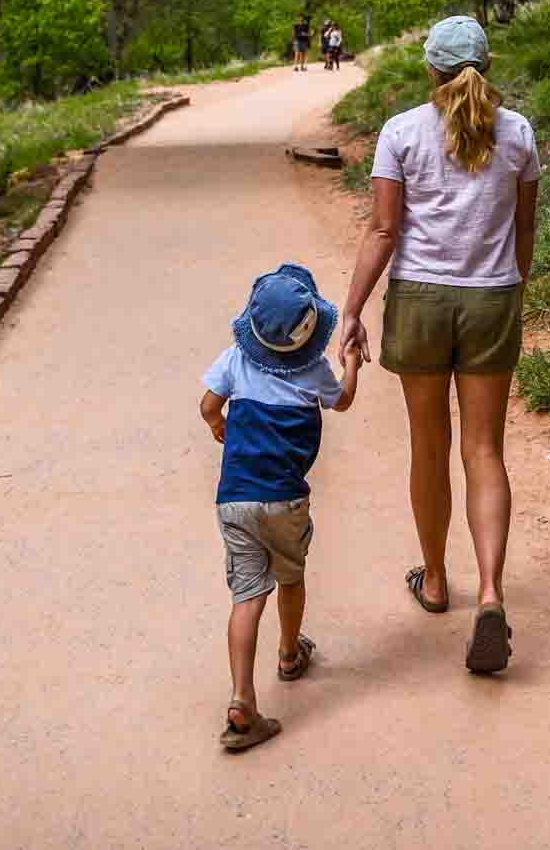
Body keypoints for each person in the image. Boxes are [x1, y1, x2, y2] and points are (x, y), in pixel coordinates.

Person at [339, 15, 538, 675]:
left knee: (431, 444)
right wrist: (509, 291)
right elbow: (523, 234)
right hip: (491, 299)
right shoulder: (519, 133)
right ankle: (490, 592)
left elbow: (383, 230)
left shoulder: (400, 132)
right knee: (485, 449)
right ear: (488, 62)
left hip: (421, 302)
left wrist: (352, 310)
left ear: (430, 70)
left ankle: (432, 577)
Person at [200, 262, 361, 752]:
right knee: (289, 577)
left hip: (235, 500)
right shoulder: (314, 370)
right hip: (285, 500)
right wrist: (351, 361)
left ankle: (241, 696)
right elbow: (344, 400)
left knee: (247, 595)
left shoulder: (233, 360)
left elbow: (208, 406)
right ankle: (290, 655)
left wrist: (217, 426)